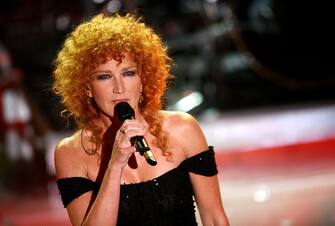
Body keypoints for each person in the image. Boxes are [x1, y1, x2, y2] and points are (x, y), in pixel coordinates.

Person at [53, 13, 230, 226]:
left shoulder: (183, 129)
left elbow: (214, 218)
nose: (119, 89)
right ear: (87, 87)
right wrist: (115, 166)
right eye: (105, 76)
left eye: (128, 73)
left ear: (143, 79)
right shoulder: (71, 152)